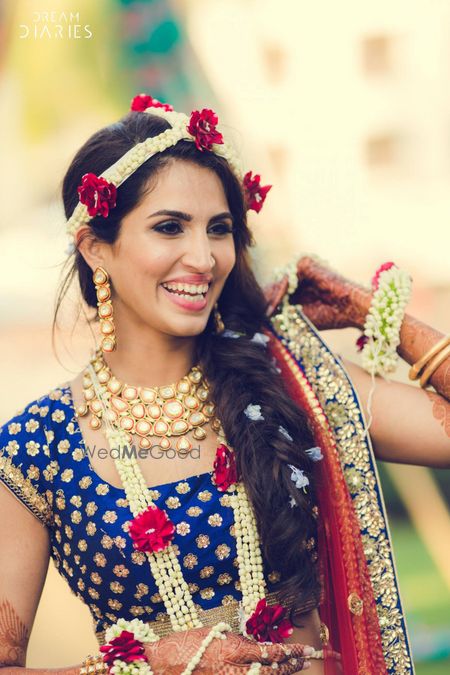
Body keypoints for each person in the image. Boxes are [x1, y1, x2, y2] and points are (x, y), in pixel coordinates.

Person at [0, 95, 449, 675]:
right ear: (95, 248)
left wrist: (376, 314)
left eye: (220, 229)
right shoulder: (37, 448)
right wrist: (149, 666)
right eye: (169, 228)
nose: (204, 256)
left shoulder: (288, 383)